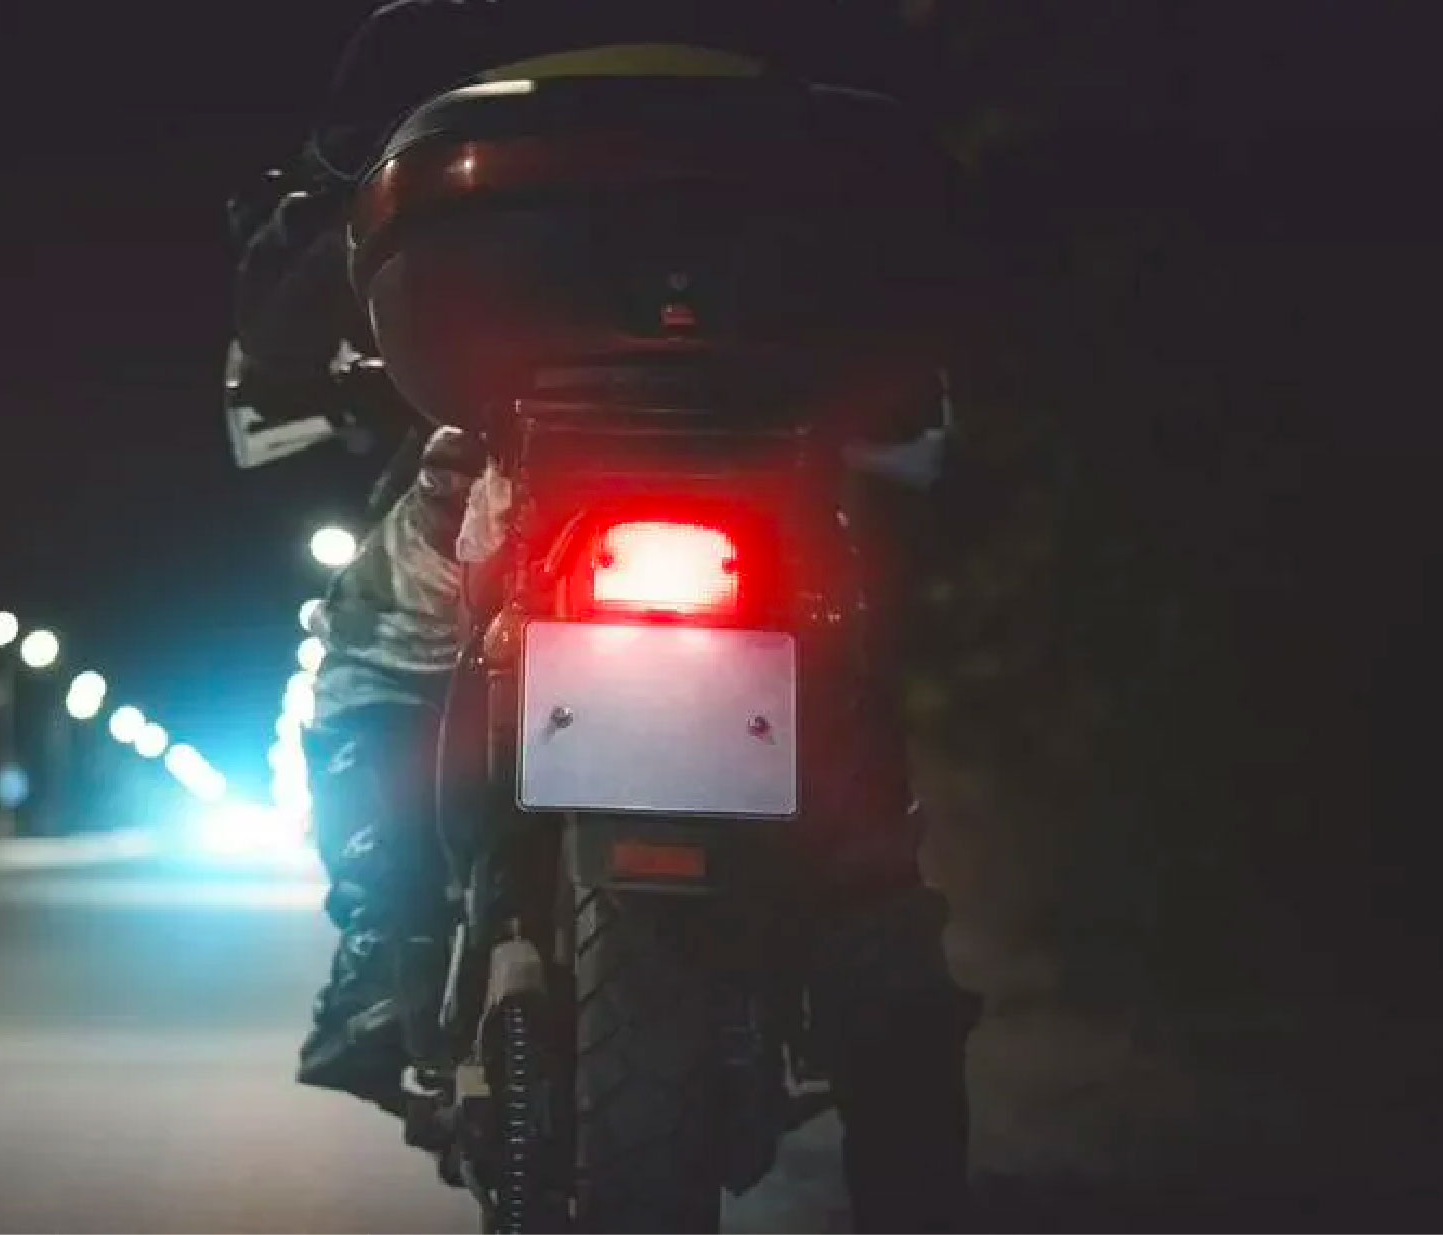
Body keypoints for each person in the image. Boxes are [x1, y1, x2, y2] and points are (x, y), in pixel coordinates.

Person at [227, 3, 977, 1228]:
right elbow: (927, 193)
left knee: (371, 655)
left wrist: (278, 354)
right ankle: (900, 1061)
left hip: (521, 448)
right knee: (860, 794)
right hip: (773, 447)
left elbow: (316, 221)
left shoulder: (426, 33)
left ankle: (378, 948)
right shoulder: (826, 31)